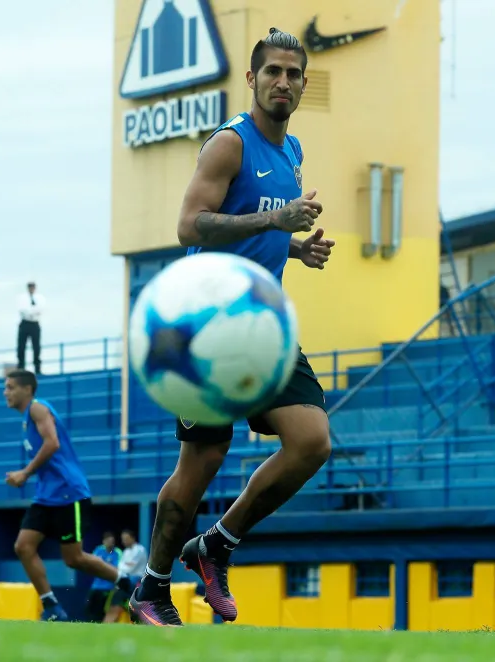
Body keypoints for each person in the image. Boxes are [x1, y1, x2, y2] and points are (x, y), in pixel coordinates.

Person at [129, 28, 335, 628]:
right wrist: (277, 217)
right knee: (204, 459)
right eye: (272, 71)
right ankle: (152, 586)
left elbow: (255, 225)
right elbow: (191, 227)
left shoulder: (292, 151)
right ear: (251, 79)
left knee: (312, 441)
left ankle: (216, 544)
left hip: (262, 320)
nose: (283, 82)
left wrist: (294, 247)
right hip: (206, 323)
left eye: (294, 74)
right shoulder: (228, 144)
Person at [3, 369, 134, 621]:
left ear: (27, 389)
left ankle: (127, 582)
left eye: (10, 387)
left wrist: (24, 474)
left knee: (74, 559)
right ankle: (51, 607)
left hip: (67, 494)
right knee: (23, 546)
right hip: (45, 496)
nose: (5, 392)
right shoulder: (26, 420)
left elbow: (52, 443)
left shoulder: (37, 409)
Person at [102, 529, 148, 624]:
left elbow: (129, 568)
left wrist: (123, 567)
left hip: (137, 580)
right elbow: (121, 566)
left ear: (133, 538)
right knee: (118, 594)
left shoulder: (139, 549)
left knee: (122, 590)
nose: (124, 541)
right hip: (126, 580)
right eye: (123, 539)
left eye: (126, 539)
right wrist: (124, 566)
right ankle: (114, 615)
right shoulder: (126, 551)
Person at [86, 532, 121, 622]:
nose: (110, 543)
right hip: (96, 586)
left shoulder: (117, 552)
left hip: (109, 587)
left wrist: (102, 565)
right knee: (89, 608)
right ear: (104, 541)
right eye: (108, 541)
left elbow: (117, 569)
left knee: (103, 611)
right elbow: (92, 564)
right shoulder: (98, 550)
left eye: (112, 541)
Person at [17, 281, 44, 374]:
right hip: (25, 322)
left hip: (35, 323)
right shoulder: (22, 298)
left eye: (32, 287)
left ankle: (37, 368)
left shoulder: (39, 298)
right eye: (30, 287)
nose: (31, 289)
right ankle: (21, 367)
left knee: (36, 346)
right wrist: (32, 312)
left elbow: (40, 309)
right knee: (21, 346)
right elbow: (22, 310)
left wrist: (31, 312)